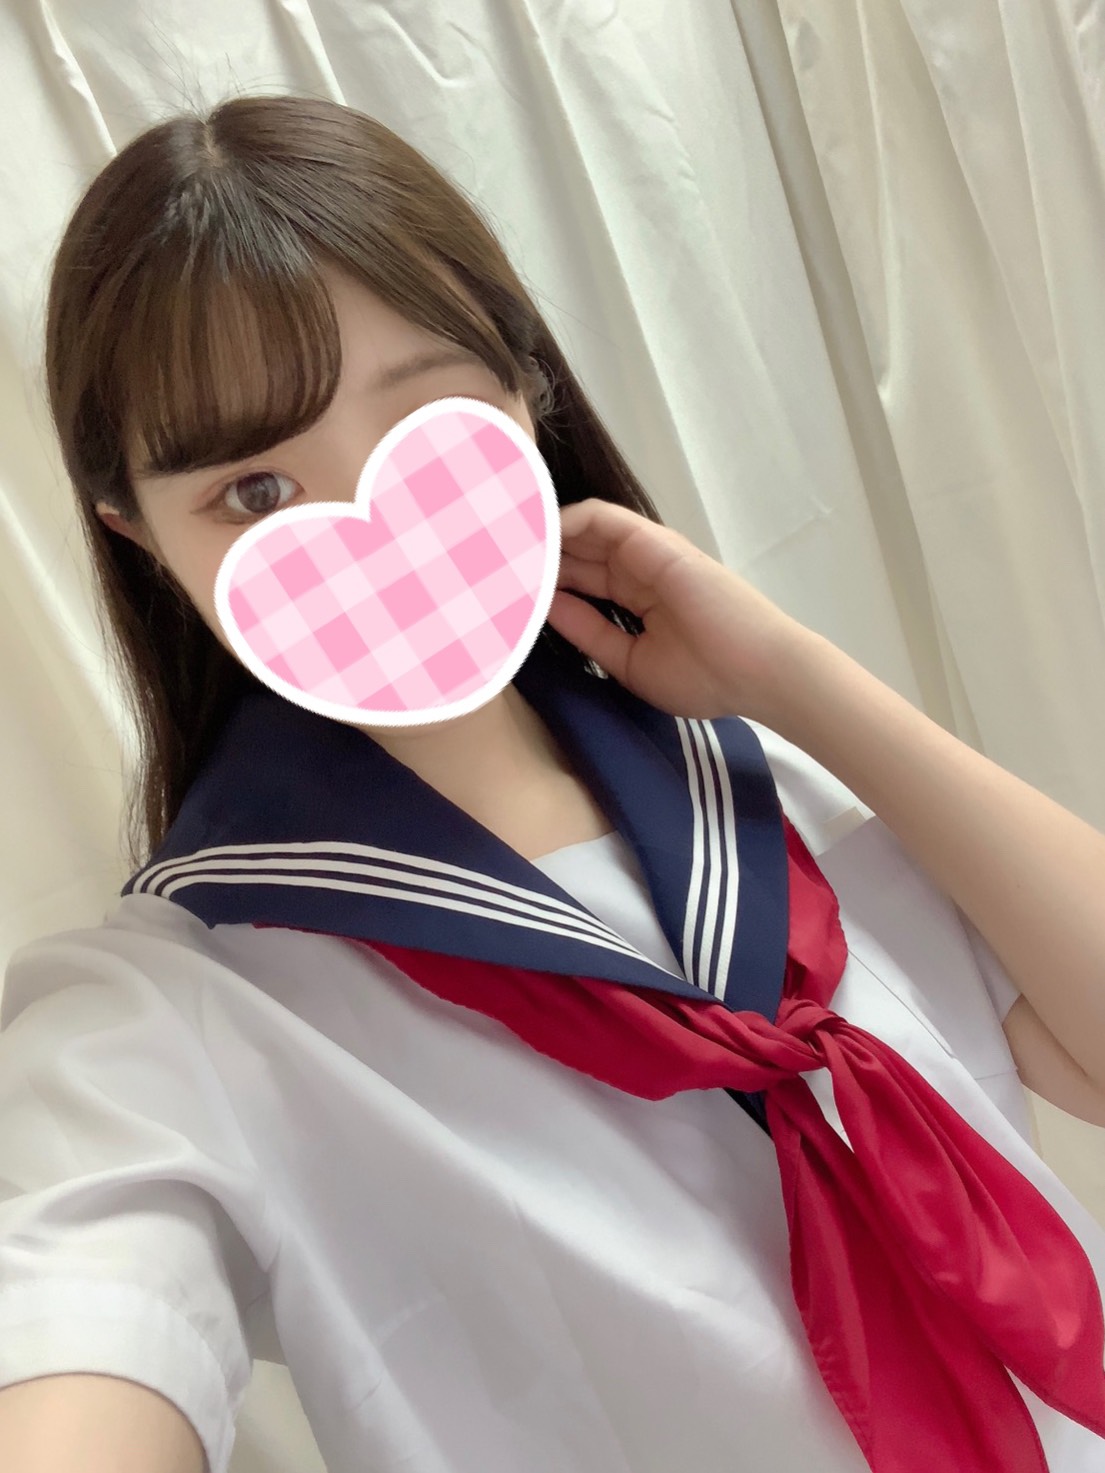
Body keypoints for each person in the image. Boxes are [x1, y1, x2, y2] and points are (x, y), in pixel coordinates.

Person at [2, 93, 1104, 1473]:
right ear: (138, 536)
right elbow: (78, 1328)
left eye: (427, 418)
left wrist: (794, 677)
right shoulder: (169, 1012)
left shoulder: (760, 798)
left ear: (525, 391)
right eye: (256, 491)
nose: (368, 527)